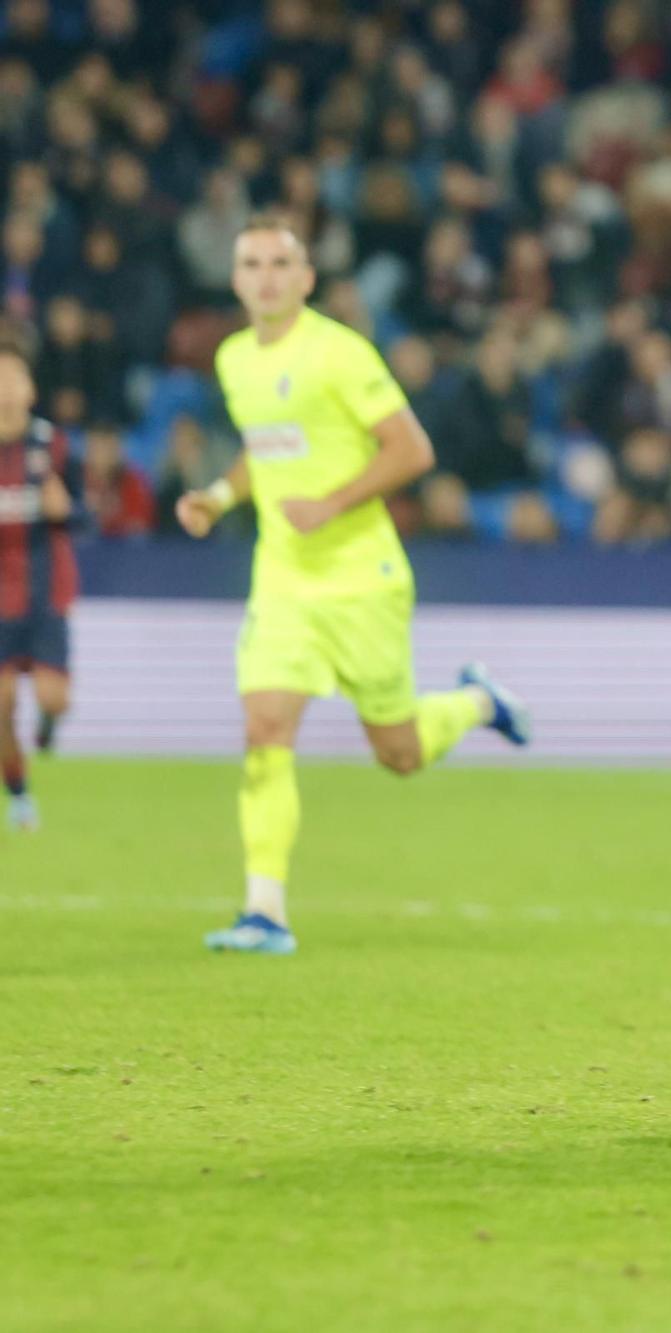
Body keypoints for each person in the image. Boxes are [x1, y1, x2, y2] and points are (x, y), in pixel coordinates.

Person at [176, 212, 531, 956]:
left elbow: (412, 448)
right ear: (235, 278)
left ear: (306, 278)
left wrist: (332, 503)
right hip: (281, 579)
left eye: (280, 263)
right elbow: (262, 450)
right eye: (251, 264)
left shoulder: (340, 353)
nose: (266, 276)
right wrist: (217, 493)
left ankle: (477, 701)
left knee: (398, 752)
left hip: (360, 579)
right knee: (265, 728)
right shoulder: (235, 359)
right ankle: (263, 911)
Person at [0, 342, 83, 831]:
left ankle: (49, 724)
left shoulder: (54, 446)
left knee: (54, 698)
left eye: (14, 377)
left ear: (31, 389)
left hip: (46, 588)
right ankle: (20, 794)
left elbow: (85, 515)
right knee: (2, 706)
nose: (6, 387)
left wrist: (67, 510)